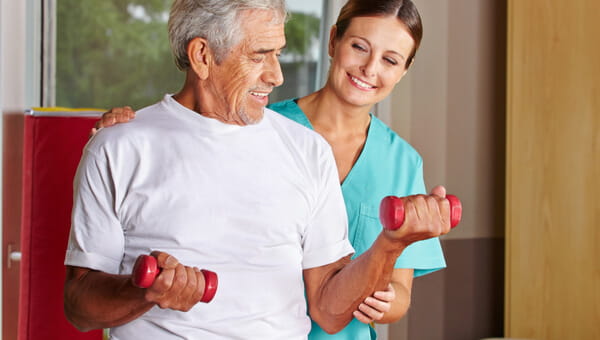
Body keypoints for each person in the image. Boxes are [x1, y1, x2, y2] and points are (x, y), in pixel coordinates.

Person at [72, 0, 453, 339]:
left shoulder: (307, 150)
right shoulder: (118, 146)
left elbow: (329, 310)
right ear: (202, 56)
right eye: (259, 55)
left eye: (279, 54)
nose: (277, 76)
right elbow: (78, 306)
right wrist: (145, 291)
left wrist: (391, 243)